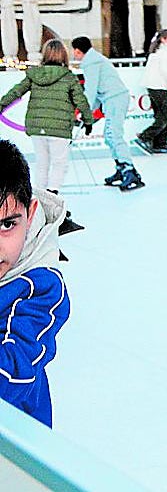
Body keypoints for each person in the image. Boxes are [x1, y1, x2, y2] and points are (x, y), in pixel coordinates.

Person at [0, 140, 70, 427]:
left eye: (7, 225)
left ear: (30, 215)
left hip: (15, 452)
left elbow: (12, 378)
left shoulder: (41, 288)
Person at [0, 39, 93, 199]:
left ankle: (40, 197)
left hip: (37, 126)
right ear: (64, 55)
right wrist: (88, 120)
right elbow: (81, 101)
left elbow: (15, 92)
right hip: (59, 128)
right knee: (59, 163)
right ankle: (52, 194)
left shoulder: (34, 75)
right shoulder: (68, 77)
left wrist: (1, 105)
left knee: (42, 162)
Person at [72, 36, 142, 192]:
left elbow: (90, 90)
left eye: (74, 51)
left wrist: (85, 110)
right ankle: (121, 168)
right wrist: (87, 111)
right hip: (111, 99)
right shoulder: (94, 60)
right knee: (109, 136)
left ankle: (129, 170)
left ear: (77, 51)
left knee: (113, 134)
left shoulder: (91, 63)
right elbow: (96, 94)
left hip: (115, 99)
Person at [136, 29, 167, 154]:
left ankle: (159, 143)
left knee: (161, 115)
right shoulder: (163, 53)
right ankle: (145, 136)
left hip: (154, 86)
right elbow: (166, 71)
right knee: (164, 115)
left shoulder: (157, 53)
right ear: (163, 40)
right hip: (158, 87)